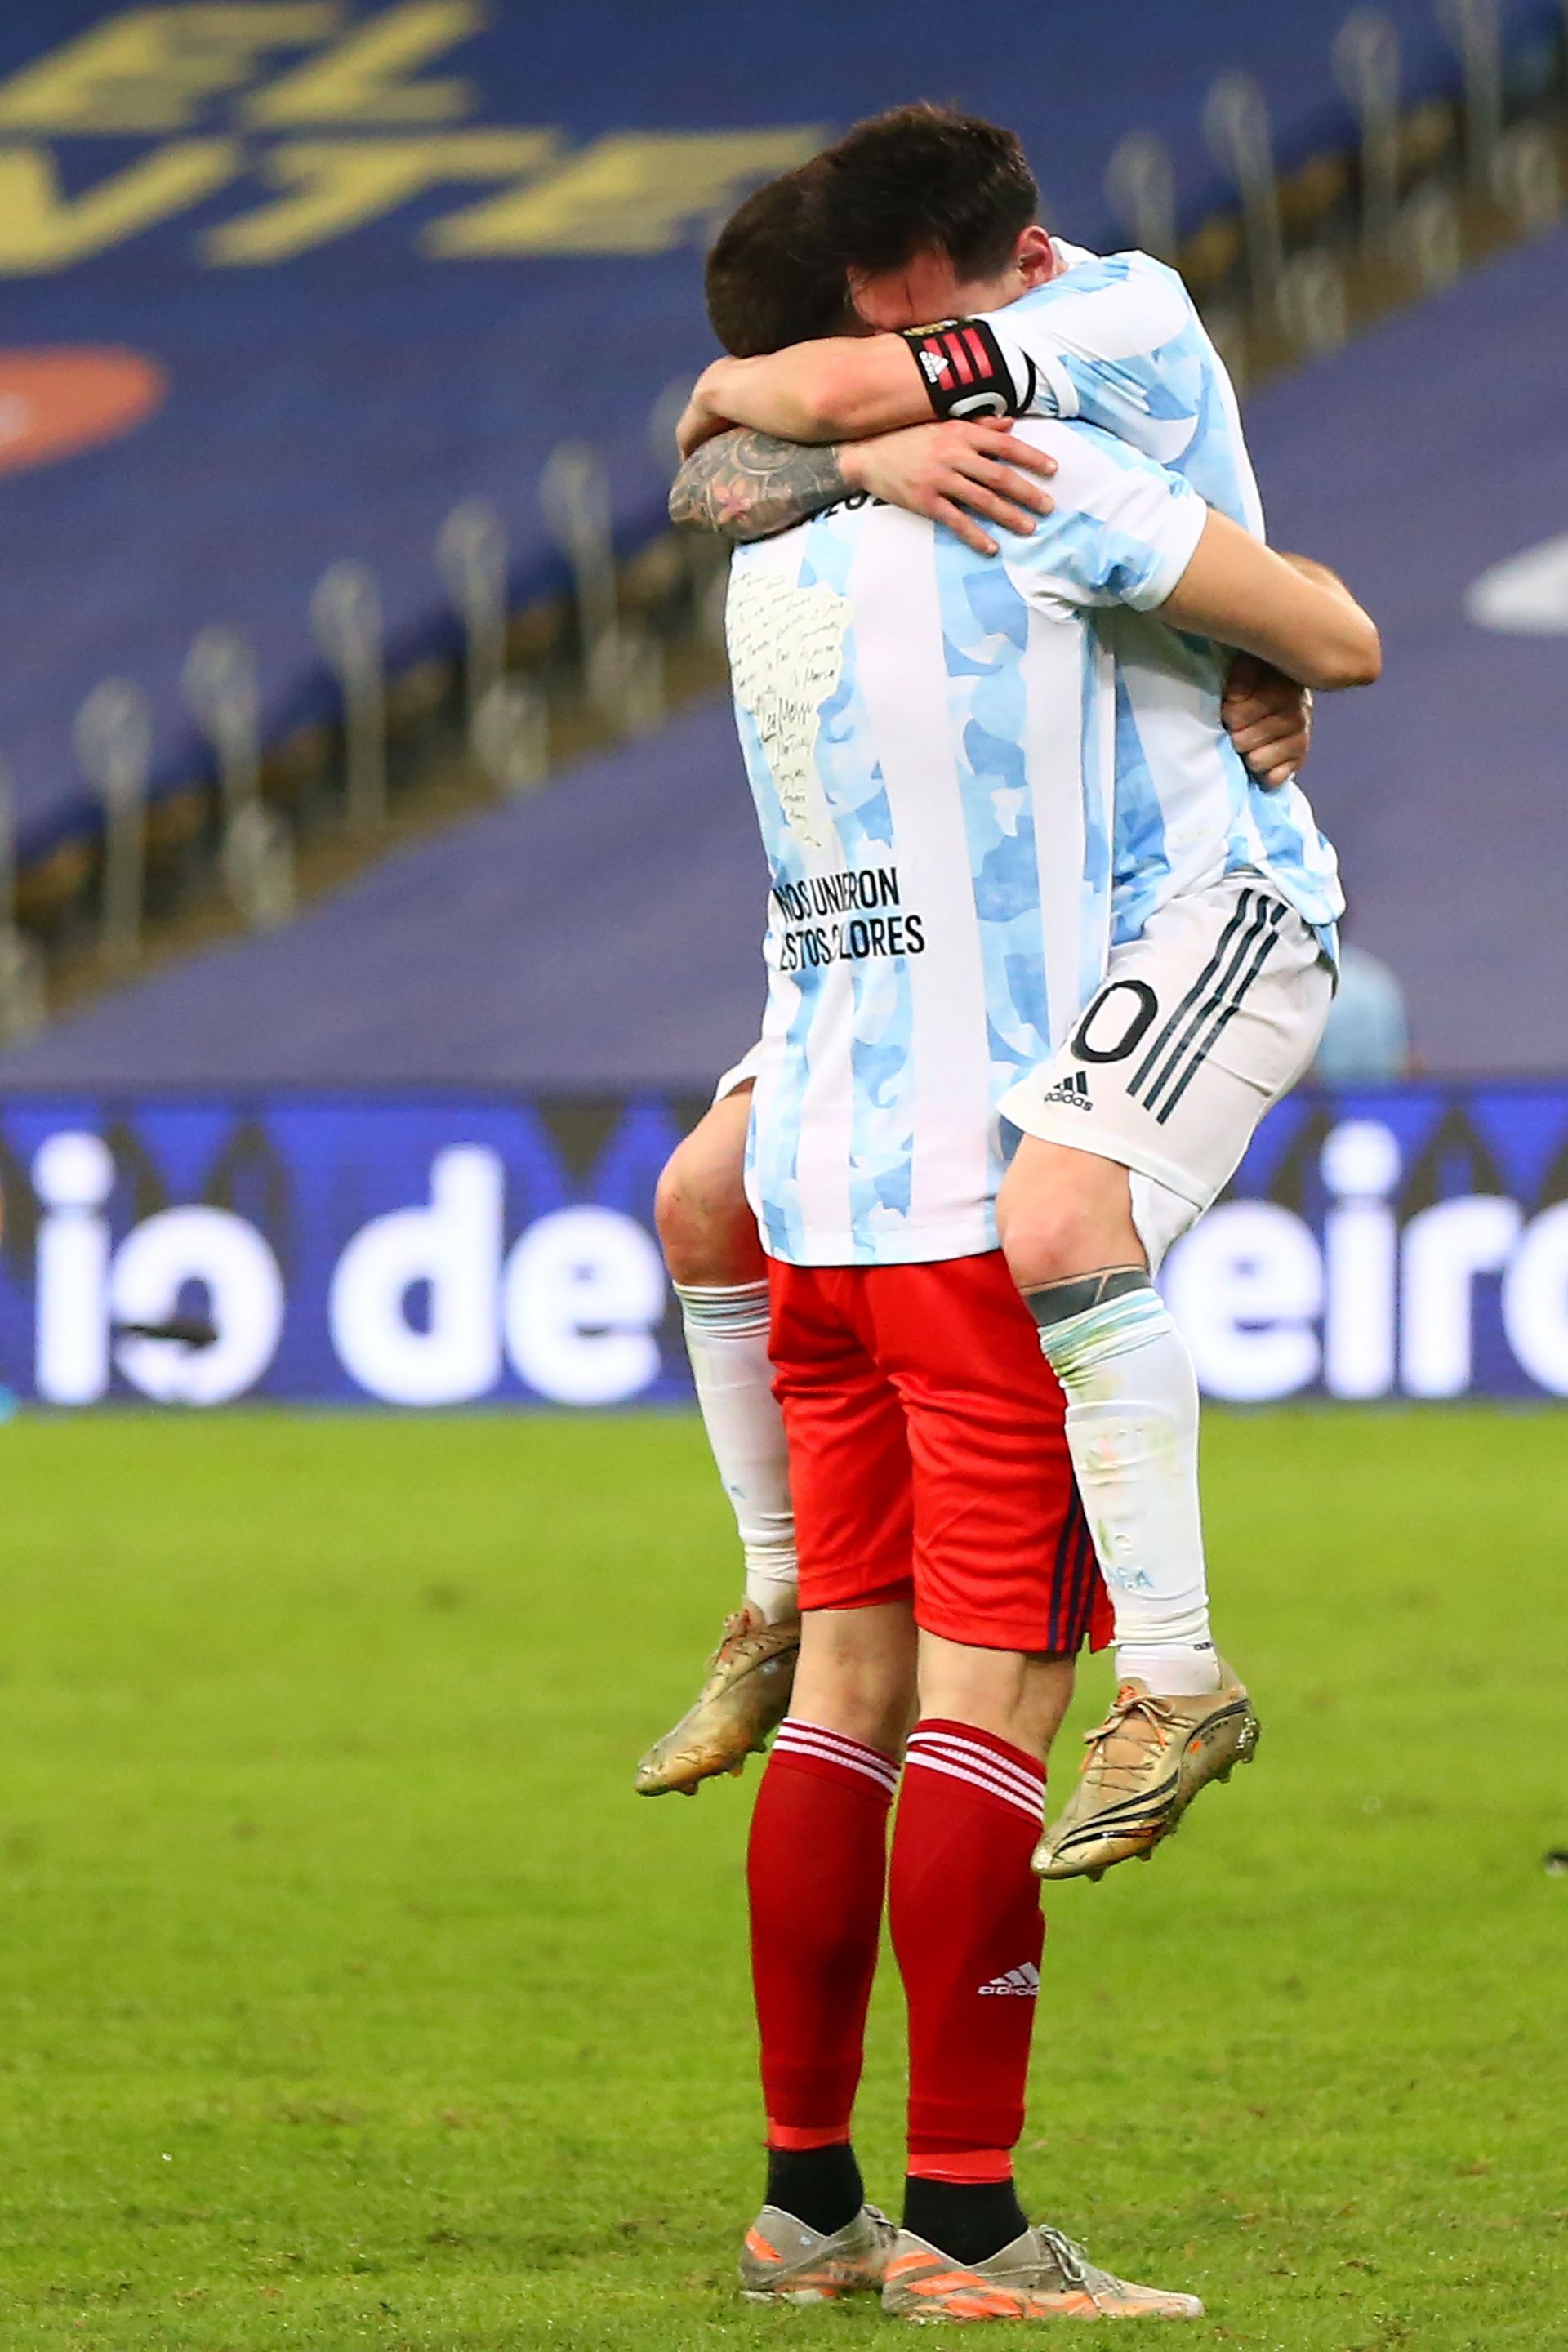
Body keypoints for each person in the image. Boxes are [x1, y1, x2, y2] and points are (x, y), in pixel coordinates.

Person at [697, 191, 1376, 2310]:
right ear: (901, 329)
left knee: (844, 1707)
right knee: (992, 1716)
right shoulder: (1043, 463)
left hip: (807, 1179)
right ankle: (973, 2228)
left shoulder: (765, 550)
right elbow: (1337, 628)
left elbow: (732, 428)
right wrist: (1276, 655)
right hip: (982, 1190)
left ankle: (807, 2206)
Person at [639, 110, 1340, 1883]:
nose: (872, 382)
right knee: (707, 1194)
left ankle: (1173, 1673)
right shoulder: (943, 447)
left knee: (1055, 1217)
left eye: (892, 346)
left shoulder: (1098, 347)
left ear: (1004, 276)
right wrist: (849, 455)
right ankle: (783, 1593)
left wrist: (1290, 641)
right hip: (997, 918)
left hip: (1199, 888)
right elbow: (708, 449)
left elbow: (1342, 630)